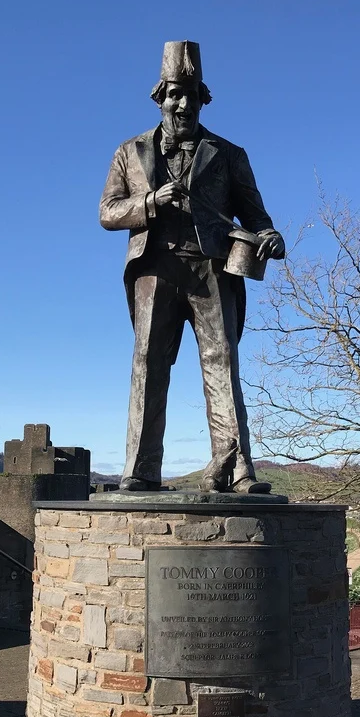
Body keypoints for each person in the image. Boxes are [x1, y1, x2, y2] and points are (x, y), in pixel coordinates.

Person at [99, 41, 285, 494]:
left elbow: (257, 218)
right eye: (175, 94)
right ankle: (141, 469)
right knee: (148, 363)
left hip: (212, 270)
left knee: (222, 364)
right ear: (159, 97)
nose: (183, 104)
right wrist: (148, 202)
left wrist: (271, 236)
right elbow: (108, 212)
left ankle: (237, 468)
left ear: (204, 99)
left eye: (192, 95)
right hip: (155, 269)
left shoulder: (228, 154)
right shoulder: (130, 151)